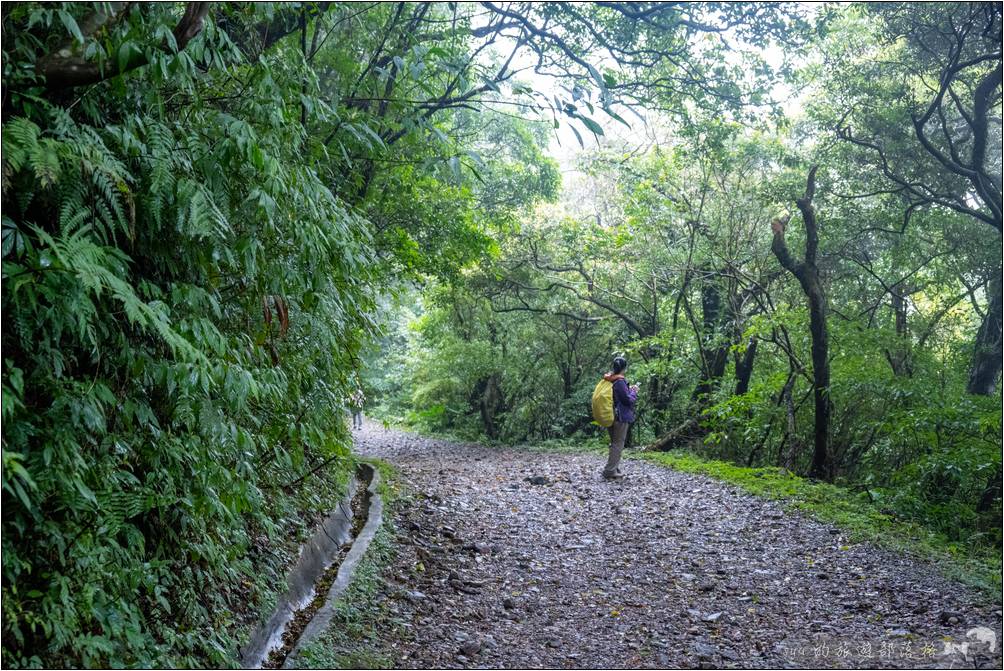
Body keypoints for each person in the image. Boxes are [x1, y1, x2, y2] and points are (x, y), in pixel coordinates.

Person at [602, 356, 637, 480]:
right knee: (618, 444)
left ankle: (614, 468)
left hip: (610, 415)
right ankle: (610, 471)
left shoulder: (610, 379)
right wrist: (634, 391)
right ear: (624, 368)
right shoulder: (620, 382)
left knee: (614, 443)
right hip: (620, 417)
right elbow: (627, 400)